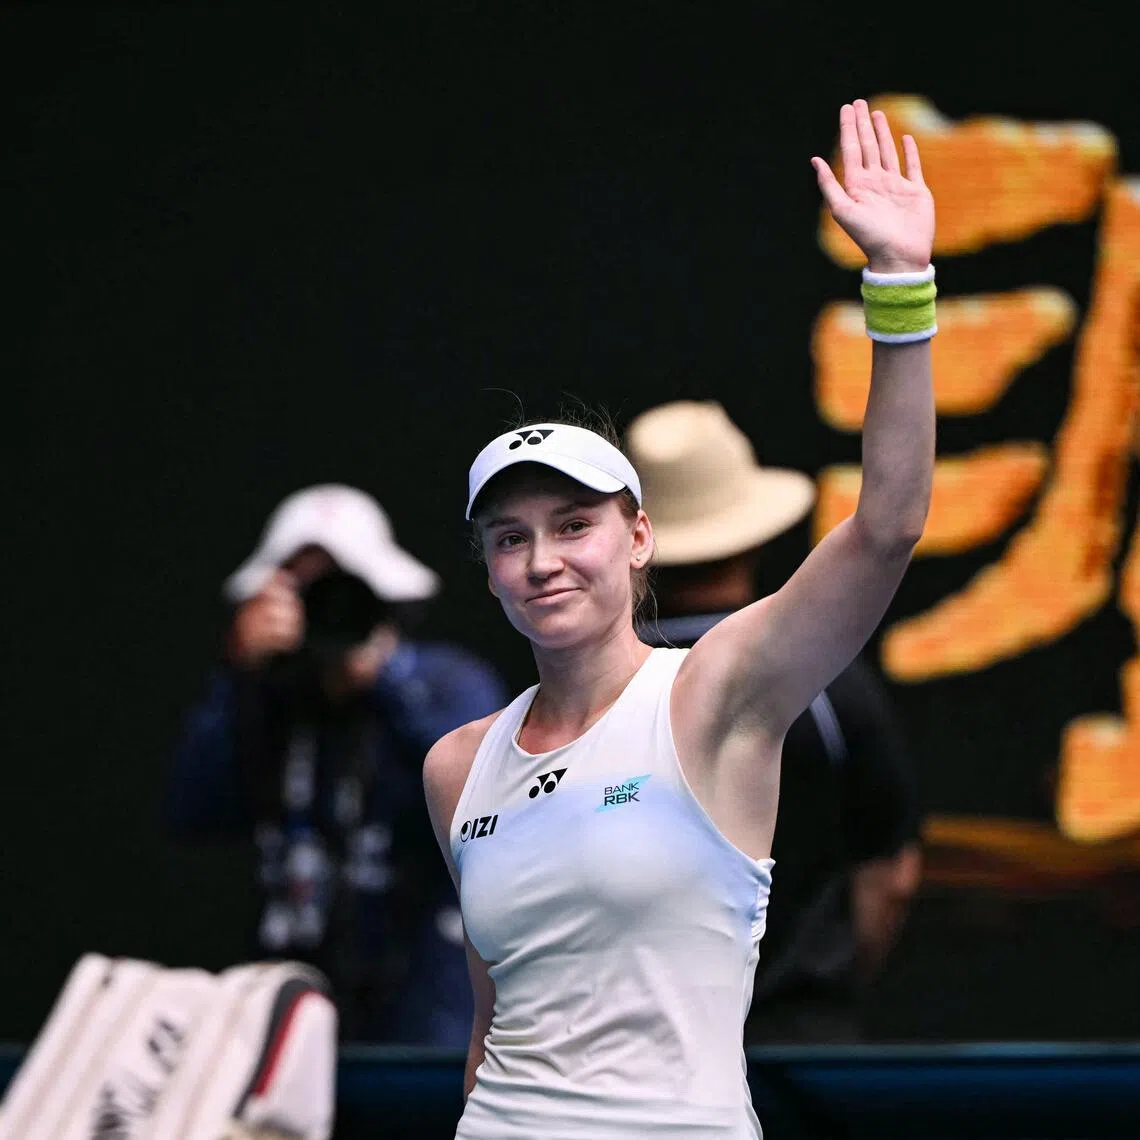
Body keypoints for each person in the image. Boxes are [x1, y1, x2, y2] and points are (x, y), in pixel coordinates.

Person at [424, 100, 935, 1138]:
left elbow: (887, 525)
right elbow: (493, 1027)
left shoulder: (715, 693)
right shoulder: (456, 766)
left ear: (640, 539)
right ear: (488, 573)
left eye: (574, 524)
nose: (543, 558)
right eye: (511, 538)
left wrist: (899, 287)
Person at [626, 398, 923, 1044]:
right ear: (753, 532)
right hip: (800, 1048)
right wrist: (820, 987)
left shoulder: (587, 691)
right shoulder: (828, 682)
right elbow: (890, 874)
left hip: (638, 1058)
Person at [168, 484, 508, 1044]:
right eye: (307, 591)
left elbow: (488, 806)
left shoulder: (447, 683)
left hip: (425, 1002)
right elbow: (191, 813)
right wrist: (237, 679)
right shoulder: (263, 704)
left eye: (345, 588)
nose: (329, 607)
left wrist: (386, 680)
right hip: (289, 1000)